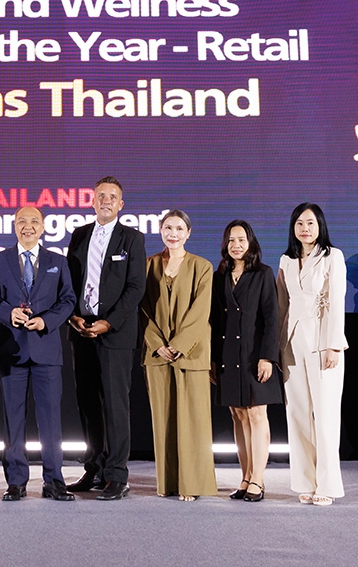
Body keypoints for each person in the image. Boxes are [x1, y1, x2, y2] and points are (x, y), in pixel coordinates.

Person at [0, 206, 77, 502]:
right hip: (12, 351)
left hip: (46, 350)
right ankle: (16, 481)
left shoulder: (57, 261)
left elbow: (68, 300)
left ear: (43, 227)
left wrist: (46, 321)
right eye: (22, 221)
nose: (28, 226)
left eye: (34, 221)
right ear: (14, 226)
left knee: (50, 420)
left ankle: (54, 481)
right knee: (13, 420)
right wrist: (7, 312)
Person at [65, 176, 146, 499]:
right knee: (88, 403)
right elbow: (71, 280)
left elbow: (136, 288)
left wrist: (108, 323)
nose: (106, 201)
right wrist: (72, 314)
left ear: (121, 204)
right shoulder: (79, 234)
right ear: (93, 201)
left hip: (115, 333)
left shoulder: (132, 238)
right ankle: (94, 468)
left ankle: (116, 474)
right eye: (101, 196)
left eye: (112, 196)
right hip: (81, 330)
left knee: (115, 405)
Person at [140, 209, 216, 501]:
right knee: (164, 419)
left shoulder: (202, 266)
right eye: (168, 228)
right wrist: (157, 342)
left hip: (191, 353)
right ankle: (168, 483)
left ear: (188, 233)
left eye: (179, 228)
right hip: (157, 354)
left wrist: (180, 344)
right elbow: (141, 308)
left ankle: (191, 485)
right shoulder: (147, 265)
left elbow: (201, 311)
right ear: (161, 231)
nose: (173, 233)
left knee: (193, 420)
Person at [277, 202, 348, 507]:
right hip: (291, 343)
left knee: (326, 414)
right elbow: (281, 305)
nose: (305, 229)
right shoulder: (286, 260)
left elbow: (337, 301)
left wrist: (334, 344)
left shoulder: (333, 256)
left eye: (310, 223)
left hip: (322, 342)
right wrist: (276, 346)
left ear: (320, 226)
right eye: (299, 223)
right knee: (297, 413)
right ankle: (305, 482)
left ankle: (327, 484)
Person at [212, 219, 281, 503]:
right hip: (228, 356)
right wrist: (213, 360)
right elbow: (215, 321)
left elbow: (272, 318)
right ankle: (245, 476)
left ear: (250, 242)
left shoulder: (263, 273)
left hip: (255, 356)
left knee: (256, 414)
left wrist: (267, 357)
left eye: (241, 240)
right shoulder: (220, 276)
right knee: (238, 415)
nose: (236, 245)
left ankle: (258, 480)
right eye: (231, 240)